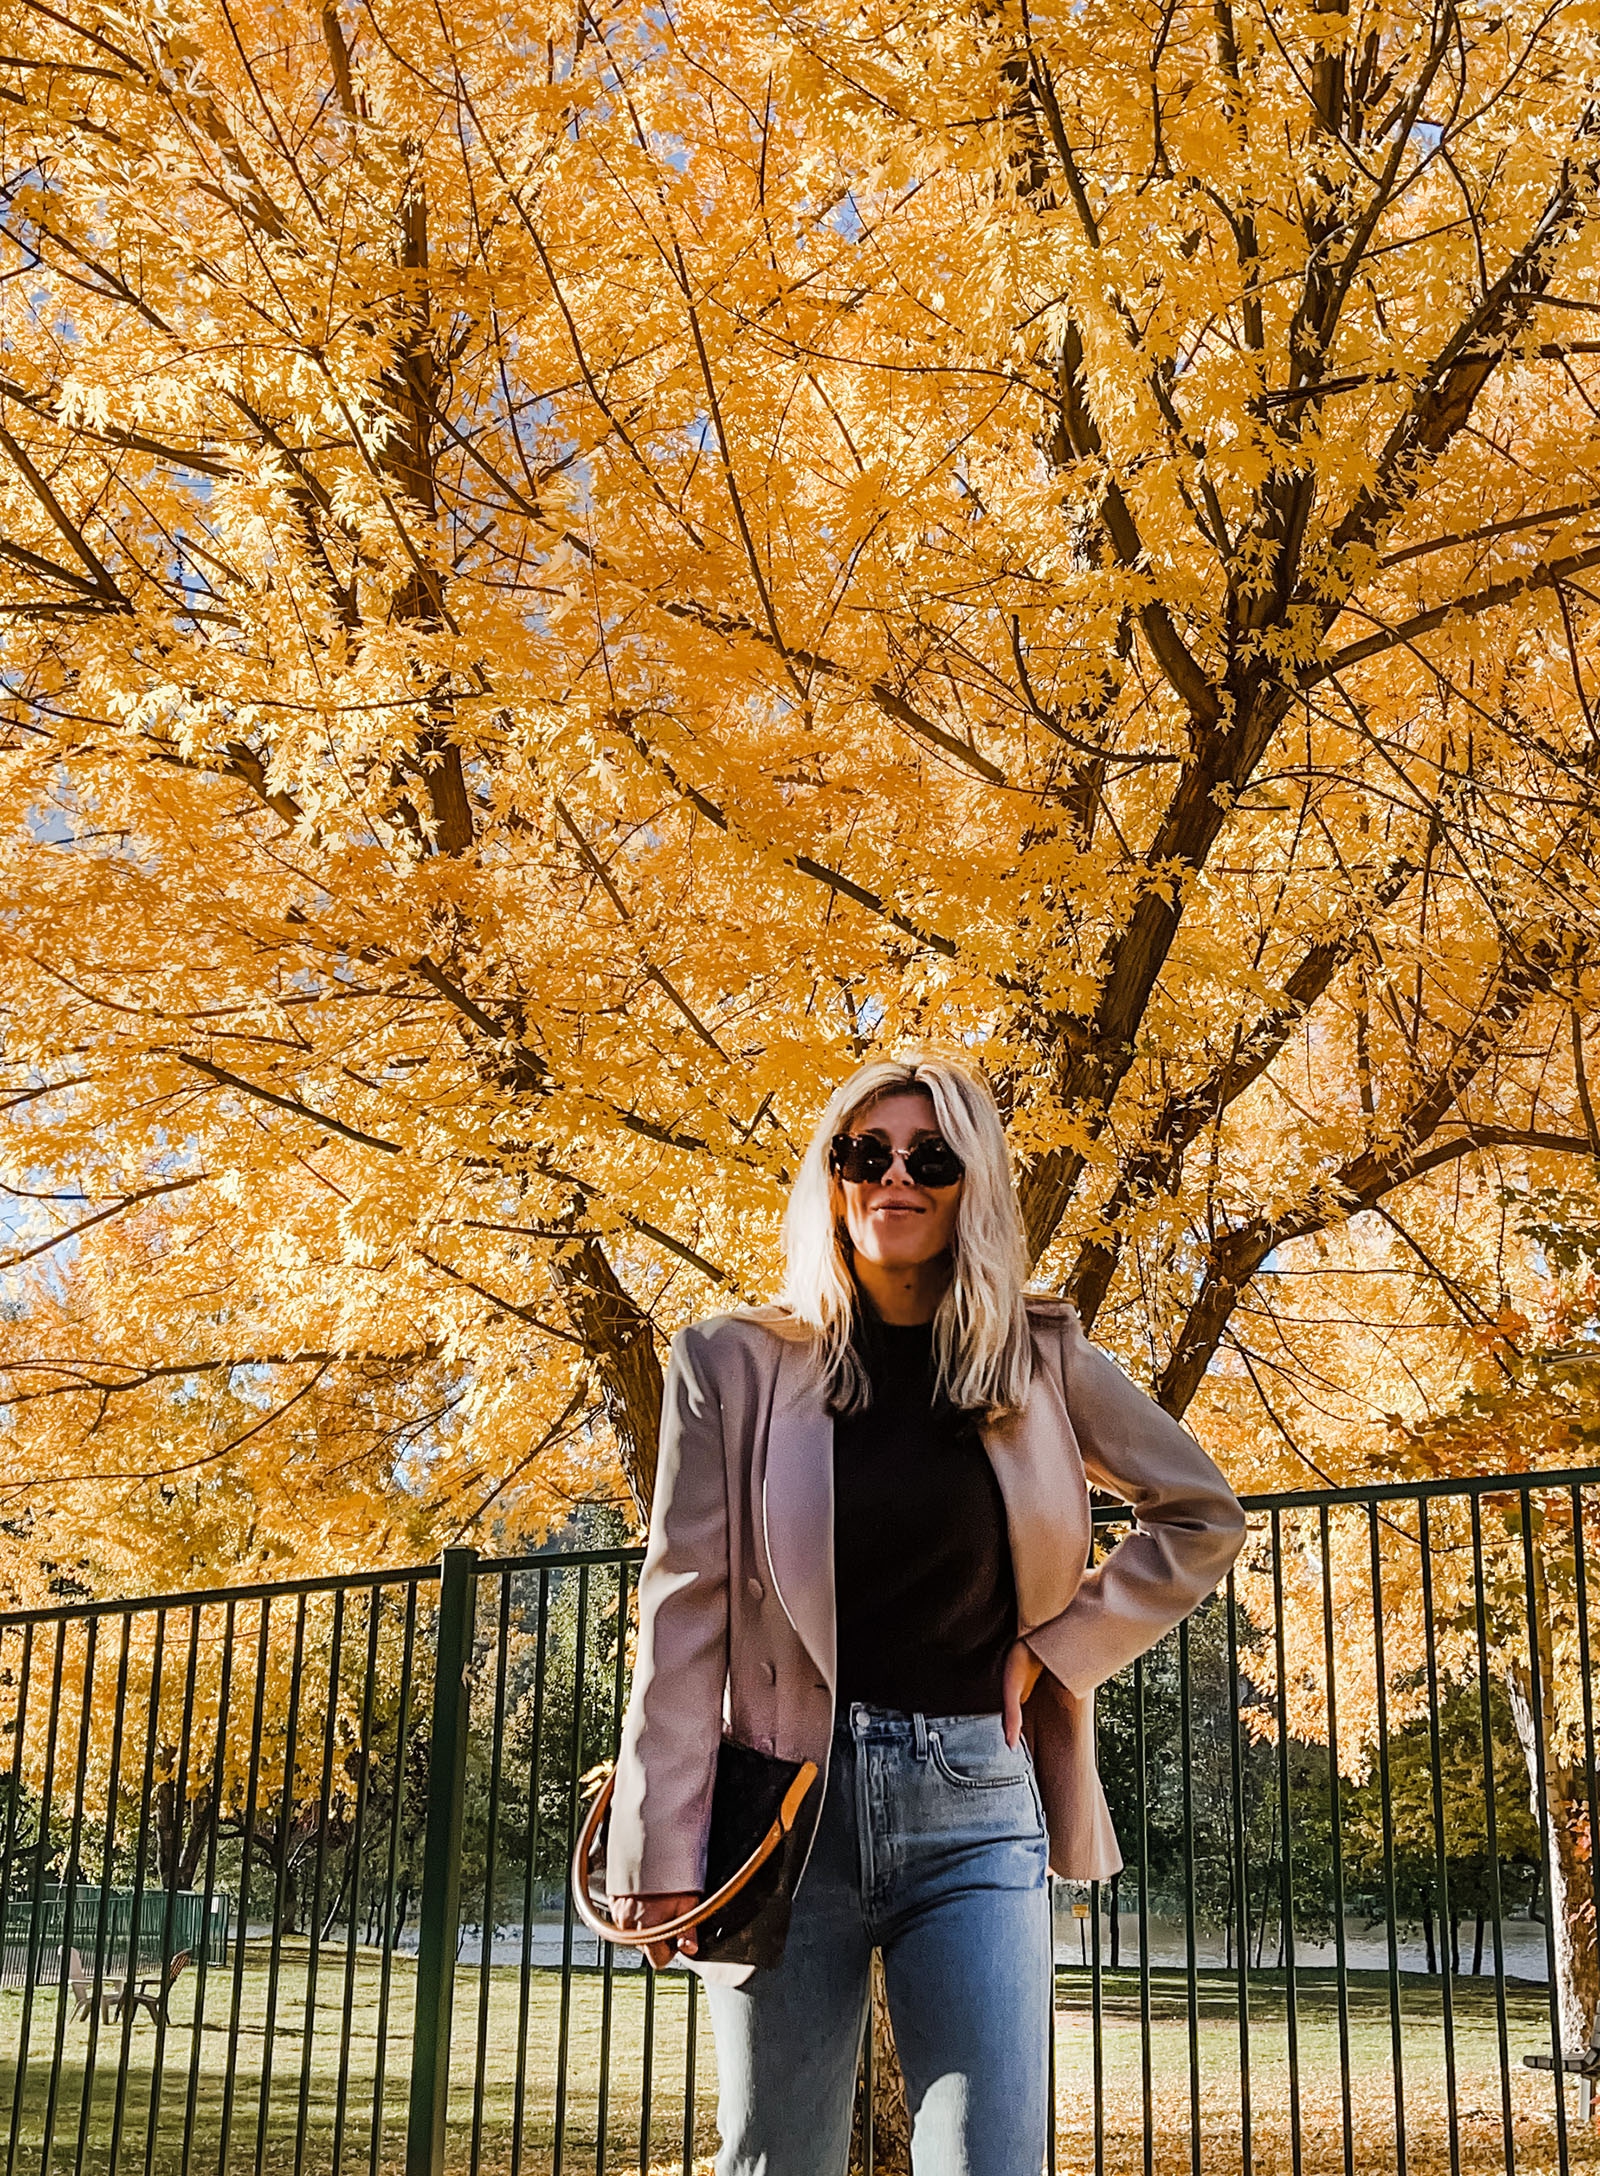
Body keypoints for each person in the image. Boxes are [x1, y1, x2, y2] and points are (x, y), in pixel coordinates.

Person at [607, 1053, 1246, 2176]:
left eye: (930, 1157)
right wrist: (658, 1839)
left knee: (994, 2162)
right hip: (782, 1816)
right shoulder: (732, 1361)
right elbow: (682, 1607)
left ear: (971, 1184)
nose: (893, 1178)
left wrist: (1060, 1650)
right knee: (776, 2159)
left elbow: (1201, 1514)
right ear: (833, 1176)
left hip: (976, 1807)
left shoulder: (1038, 1357)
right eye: (865, 1154)